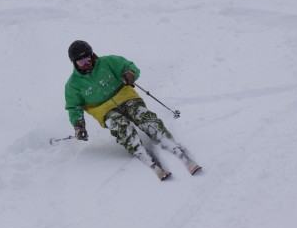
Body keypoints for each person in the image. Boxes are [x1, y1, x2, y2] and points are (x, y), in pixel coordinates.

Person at [64, 40, 201, 180]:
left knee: (143, 117)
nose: (86, 63)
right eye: (81, 62)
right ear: (75, 63)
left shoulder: (108, 62)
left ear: (92, 55)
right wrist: (78, 125)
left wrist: (130, 73)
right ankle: (140, 152)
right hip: (104, 111)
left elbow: (130, 66)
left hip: (127, 98)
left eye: (87, 58)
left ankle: (167, 140)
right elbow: (73, 107)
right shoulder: (73, 85)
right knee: (121, 126)